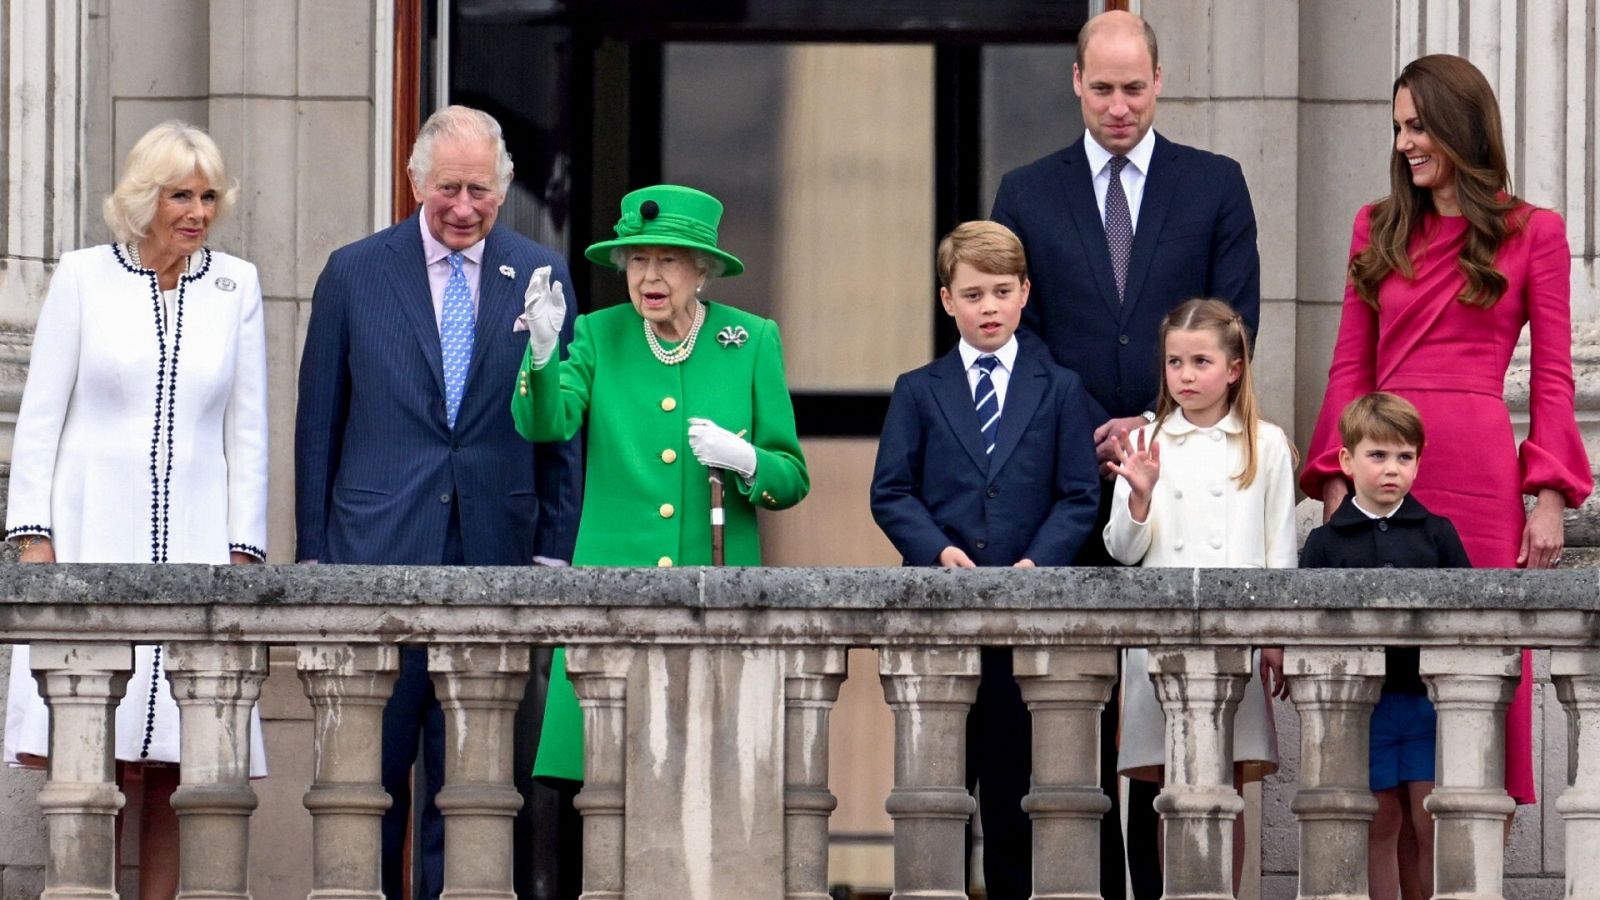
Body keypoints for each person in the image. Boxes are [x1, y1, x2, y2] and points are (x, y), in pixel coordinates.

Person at [989, 14, 1261, 892]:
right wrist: (1089, 426)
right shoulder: (1026, 192)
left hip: (1179, 481)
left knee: (1164, 718)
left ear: (1161, 79)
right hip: (1062, 485)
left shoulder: (1214, 185)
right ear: (1075, 81)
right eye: (1101, 88)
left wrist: (1148, 422)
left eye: (1133, 87)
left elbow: (1233, 320)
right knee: (1060, 714)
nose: (1118, 105)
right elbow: (1013, 337)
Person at [294, 105, 583, 900]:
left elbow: (562, 426)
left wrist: (554, 552)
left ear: (505, 189)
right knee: (371, 781)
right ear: (417, 181)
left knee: (473, 786)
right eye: (449, 188)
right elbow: (319, 420)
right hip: (374, 557)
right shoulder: (355, 271)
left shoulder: (540, 273)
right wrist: (314, 554)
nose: (464, 206)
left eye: (481, 191)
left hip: (495, 553)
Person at [1300, 54, 1592, 817]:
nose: (1404, 143)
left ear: (1461, 127)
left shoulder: (1537, 232)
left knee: (1479, 681)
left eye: (1418, 126)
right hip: (1384, 468)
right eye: (1398, 128)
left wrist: (1550, 494)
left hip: (1480, 477)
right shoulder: (1376, 226)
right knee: (1376, 681)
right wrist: (1336, 482)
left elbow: (1555, 377)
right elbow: (1348, 364)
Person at [4, 120, 269, 899]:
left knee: (178, 763)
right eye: (180, 195)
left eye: (208, 196)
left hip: (196, 541)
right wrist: (33, 539)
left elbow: (246, 429)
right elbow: (42, 416)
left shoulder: (237, 285)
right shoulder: (84, 277)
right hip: (92, 536)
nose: (197, 211)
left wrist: (244, 552)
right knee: (97, 754)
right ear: (144, 198)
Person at [512, 183, 809, 782]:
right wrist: (542, 354)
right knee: (608, 786)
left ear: (702, 271)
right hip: (612, 601)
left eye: (668, 260)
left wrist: (746, 459)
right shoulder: (599, 334)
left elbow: (792, 475)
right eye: (638, 260)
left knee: (709, 783)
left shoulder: (750, 342)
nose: (650, 276)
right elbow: (546, 422)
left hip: (715, 606)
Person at [870, 220, 1101, 898]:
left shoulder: (1059, 387)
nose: (989, 307)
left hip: (1024, 633)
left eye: (1002, 291)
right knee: (935, 797)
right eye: (973, 294)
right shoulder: (919, 388)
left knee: (1013, 798)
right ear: (948, 300)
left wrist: (1038, 563)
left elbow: (1080, 495)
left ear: (1026, 293)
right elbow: (891, 490)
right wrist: (936, 549)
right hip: (940, 627)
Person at [1102, 298, 1291, 893]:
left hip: (1235, 645)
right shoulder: (1146, 439)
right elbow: (1122, 549)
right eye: (1174, 362)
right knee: (1168, 787)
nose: (1185, 375)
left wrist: (1277, 640)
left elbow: (1278, 553)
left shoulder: (1267, 443)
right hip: (1159, 646)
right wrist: (1138, 496)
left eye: (1200, 361)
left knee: (1225, 787)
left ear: (1234, 368)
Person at [1300, 392, 1470, 900]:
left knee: (1428, 819)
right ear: (1348, 461)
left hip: (1425, 705)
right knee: (1379, 821)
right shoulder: (1325, 542)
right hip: (1362, 710)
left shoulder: (1437, 534)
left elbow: (1469, 616)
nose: (1392, 468)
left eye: (1405, 456)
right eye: (1377, 455)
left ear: (1419, 461)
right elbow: (1307, 625)